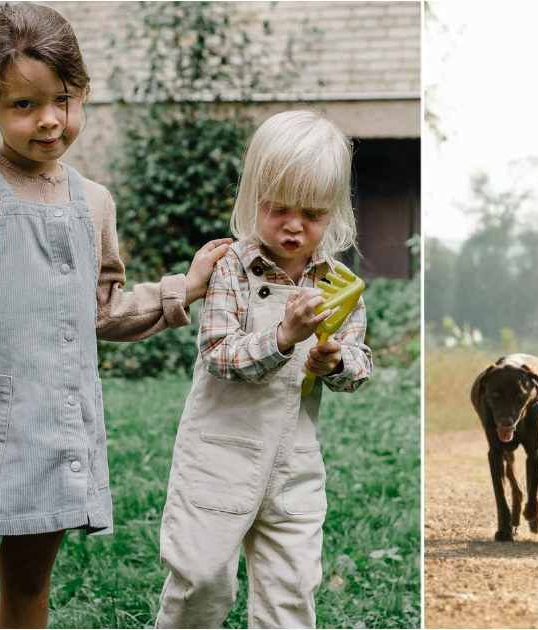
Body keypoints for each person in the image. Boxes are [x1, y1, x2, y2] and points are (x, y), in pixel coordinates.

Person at [0, 4, 231, 626]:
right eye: (24, 105)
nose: (48, 120)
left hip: (58, 427)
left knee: (28, 587)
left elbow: (101, 310)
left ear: (83, 94)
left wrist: (183, 289)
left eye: (63, 99)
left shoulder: (93, 203)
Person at [154, 110, 372, 628]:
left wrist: (334, 359)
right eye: (279, 208)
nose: (295, 225)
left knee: (290, 595)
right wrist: (283, 338)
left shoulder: (338, 285)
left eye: (313, 213)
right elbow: (218, 353)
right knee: (201, 582)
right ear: (254, 199)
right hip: (219, 455)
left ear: (335, 211)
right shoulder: (231, 267)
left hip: (293, 464)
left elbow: (360, 365)